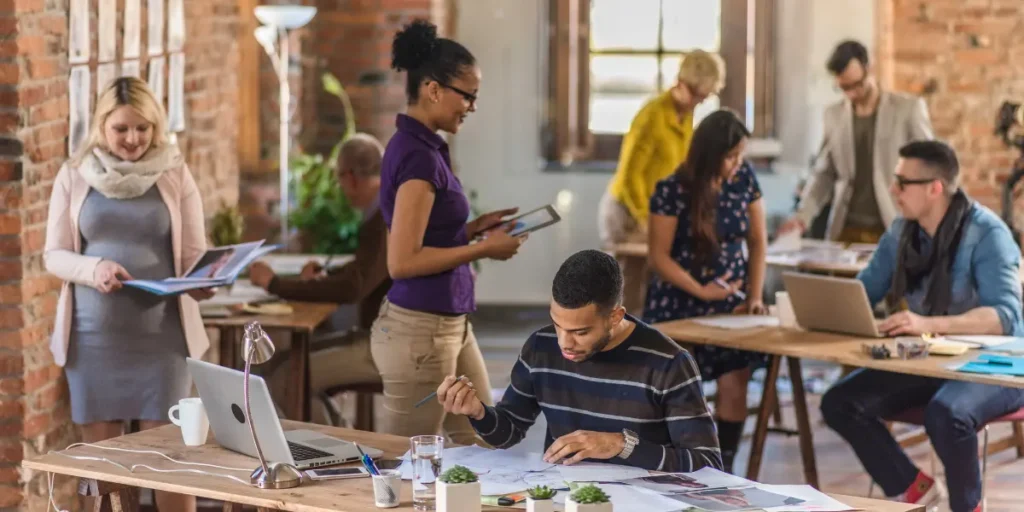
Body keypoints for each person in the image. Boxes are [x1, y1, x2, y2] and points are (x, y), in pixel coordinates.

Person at [820, 141, 1024, 512]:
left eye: (903, 182)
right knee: (839, 401)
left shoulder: (987, 233)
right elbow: (863, 292)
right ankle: (914, 490)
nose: (893, 190)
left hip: (996, 366)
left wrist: (926, 324)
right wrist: (815, 309)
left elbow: (1004, 318)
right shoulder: (901, 232)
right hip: (927, 359)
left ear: (935, 188)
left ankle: (968, 507)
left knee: (946, 414)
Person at [43, 77, 214, 512]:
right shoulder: (73, 174)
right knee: (107, 474)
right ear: (101, 126)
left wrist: (210, 277)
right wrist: (92, 268)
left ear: (156, 128)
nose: (133, 139)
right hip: (94, 343)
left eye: (143, 128)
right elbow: (53, 255)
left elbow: (195, 254)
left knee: (171, 463)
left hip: (163, 342)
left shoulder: (174, 172)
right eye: (121, 129)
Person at [373, 19, 526, 445]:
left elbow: (429, 234)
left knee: (479, 445)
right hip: (420, 334)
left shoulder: (425, 148)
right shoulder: (418, 157)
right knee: (406, 467)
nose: (472, 107)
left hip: (450, 327)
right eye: (468, 96)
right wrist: (482, 250)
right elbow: (402, 261)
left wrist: (476, 230)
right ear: (433, 89)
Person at [437, 249, 722, 472]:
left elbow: (708, 464)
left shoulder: (669, 363)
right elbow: (508, 433)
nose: (564, 342)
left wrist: (621, 445)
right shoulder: (541, 347)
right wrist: (477, 412)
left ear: (615, 316)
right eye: (557, 325)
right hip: (567, 497)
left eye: (580, 332)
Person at [642, 109, 767, 474]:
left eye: (741, 155)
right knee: (680, 384)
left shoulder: (744, 178)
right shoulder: (671, 188)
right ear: (709, 154)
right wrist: (700, 290)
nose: (737, 163)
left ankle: (722, 467)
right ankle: (682, 462)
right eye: (731, 156)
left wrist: (754, 297)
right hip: (678, 299)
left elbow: (758, 243)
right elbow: (659, 257)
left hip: (730, 302)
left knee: (735, 379)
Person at [248, 133, 390, 421]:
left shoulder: (383, 217)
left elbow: (354, 287)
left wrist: (274, 284)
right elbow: (366, 269)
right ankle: (341, 444)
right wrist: (328, 274)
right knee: (285, 365)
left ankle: (335, 459)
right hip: (379, 337)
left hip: (383, 347)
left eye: (339, 178)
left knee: (286, 378)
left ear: (350, 177)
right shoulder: (384, 209)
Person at [599, 50, 726, 314]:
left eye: (705, 97)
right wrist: (648, 219)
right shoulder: (652, 116)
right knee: (626, 290)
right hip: (627, 211)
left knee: (650, 285)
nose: (699, 103)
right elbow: (630, 176)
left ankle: (642, 346)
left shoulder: (685, 115)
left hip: (654, 211)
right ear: (681, 83)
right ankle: (614, 350)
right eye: (698, 95)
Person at [779, 40, 934, 244]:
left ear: (870, 69)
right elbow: (824, 174)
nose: (851, 94)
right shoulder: (833, 116)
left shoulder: (907, 110)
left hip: (892, 226)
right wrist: (802, 217)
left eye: (856, 85)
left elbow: (932, 167)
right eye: (843, 88)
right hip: (845, 229)